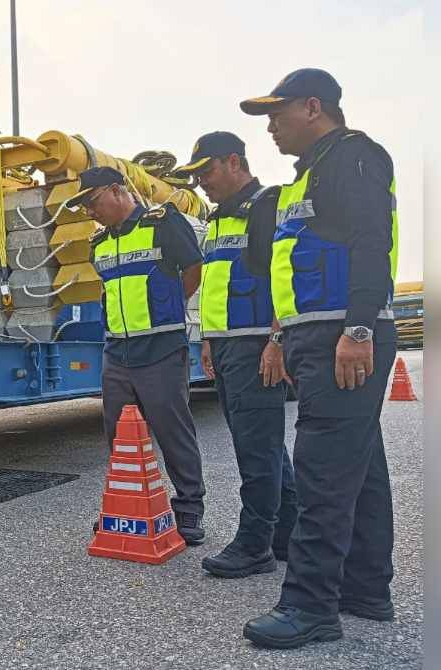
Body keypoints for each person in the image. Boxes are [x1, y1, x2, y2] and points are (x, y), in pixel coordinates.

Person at [237, 68, 399, 649]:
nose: (272, 127)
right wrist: (282, 336)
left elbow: (370, 244)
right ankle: (364, 589)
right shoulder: (305, 178)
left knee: (322, 473)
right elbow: (279, 267)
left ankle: (309, 607)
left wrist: (358, 329)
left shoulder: (354, 158)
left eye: (277, 114)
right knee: (360, 467)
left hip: (343, 336)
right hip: (317, 336)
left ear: (313, 107)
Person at [172, 132, 299, 578]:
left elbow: (287, 277)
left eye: (206, 172)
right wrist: (209, 338)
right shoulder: (220, 217)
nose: (201, 182)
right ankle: (285, 533)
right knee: (264, 444)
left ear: (233, 162)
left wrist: (277, 341)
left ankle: (254, 545)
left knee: (255, 447)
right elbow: (219, 285)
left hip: (256, 344)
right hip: (227, 344)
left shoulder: (266, 205)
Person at [66, 166, 207, 545]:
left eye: (92, 202)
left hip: (161, 348)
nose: (90, 212)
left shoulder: (162, 223)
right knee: (120, 435)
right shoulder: (99, 242)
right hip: (118, 352)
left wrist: (170, 307)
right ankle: (125, 506)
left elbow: (193, 268)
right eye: (84, 208)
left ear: (117, 190)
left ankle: (189, 508)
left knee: (172, 431)